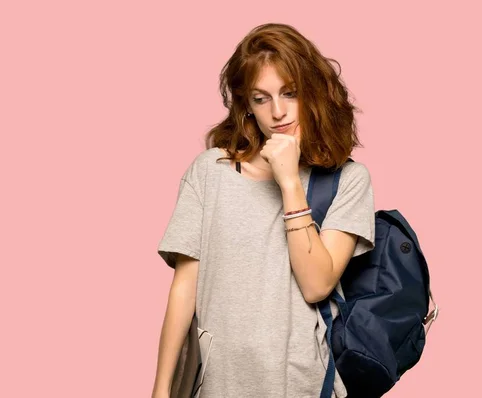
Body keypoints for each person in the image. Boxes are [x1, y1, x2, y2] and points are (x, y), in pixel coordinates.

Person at [152, 23, 375, 398]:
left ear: (313, 92)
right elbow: (185, 287)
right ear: (246, 106)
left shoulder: (347, 180)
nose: (277, 112)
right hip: (220, 384)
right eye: (260, 98)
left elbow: (316, 284)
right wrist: (161, 390)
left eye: (290, 93)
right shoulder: (211, 172)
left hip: (301, 384)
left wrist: (289, 183)